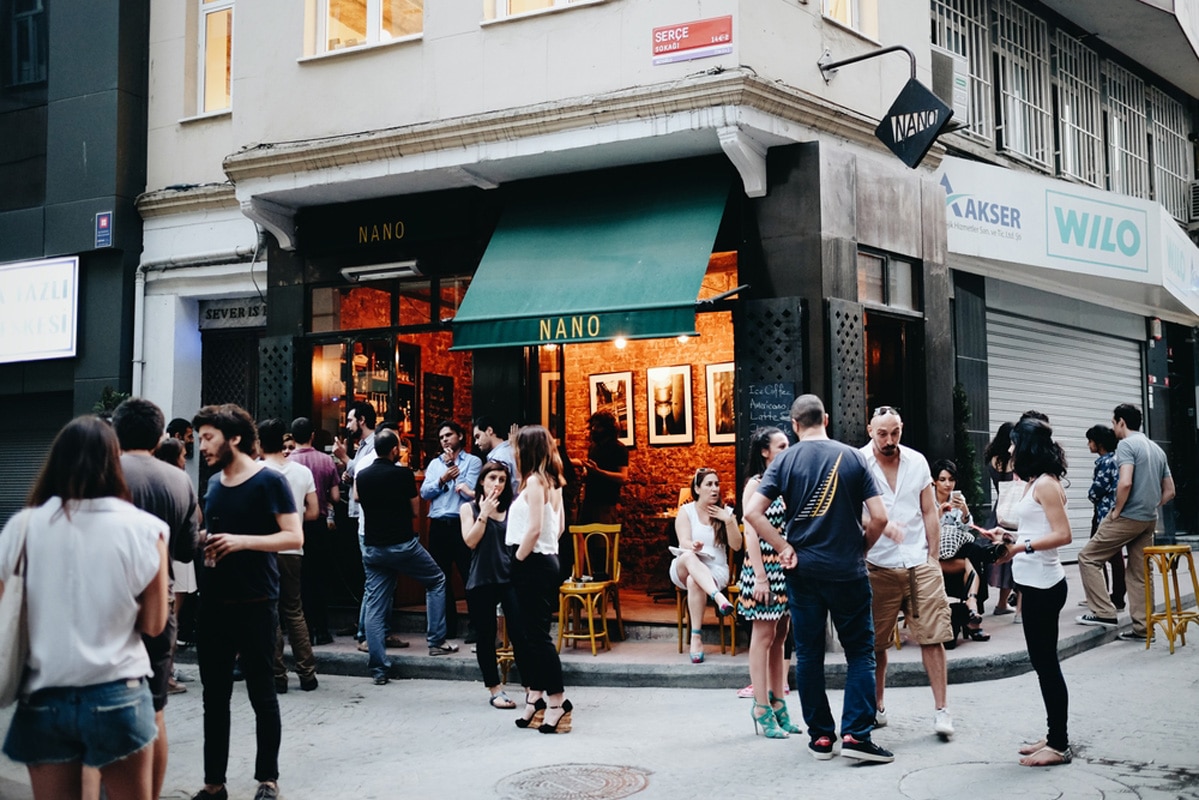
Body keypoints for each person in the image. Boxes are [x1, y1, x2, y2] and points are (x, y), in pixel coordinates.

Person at [0, 415, 170, 800]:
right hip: (119, 694)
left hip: (45, 698)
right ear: (115, 461)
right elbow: (156, 624)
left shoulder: (22, 526)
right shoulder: (147, 529)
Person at [744, 394, 894, 763]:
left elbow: (752, 512)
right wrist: (862, 548)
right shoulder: (855, 457)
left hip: (803, 572)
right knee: (860, 652)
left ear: (795, 425)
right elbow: (879, 517)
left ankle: (822, 739)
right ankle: (857, 735)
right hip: (847, 571)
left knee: (809, 654)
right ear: (826, 418)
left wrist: (782, 547)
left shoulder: (786, 460)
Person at [191, 404, 303, 800]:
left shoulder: (269, 480)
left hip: (257, 600)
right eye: (198, 438)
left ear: (233, 438)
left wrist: (241, 542)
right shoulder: (214, 483)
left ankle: (267, 779)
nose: (200, 446)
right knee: (214, 696)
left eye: (207, 437)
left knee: (261, 692)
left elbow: (294, 537)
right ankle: (213, 783)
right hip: (215, 602)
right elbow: (212, 531)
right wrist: (205, 541)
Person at [112, 398, 201, 799]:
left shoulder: (105, 470)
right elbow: (186, 550)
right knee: (155, 706)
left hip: (108, 598)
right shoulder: (178, 480)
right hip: (159, 601)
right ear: (159, 434)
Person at [981, 417, 1074, 766]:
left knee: (1047, 666)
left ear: (1027, 447)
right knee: (1043, 664)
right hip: (1033, 584)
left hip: (1044, 586)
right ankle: (1053, 736)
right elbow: (1036, 530)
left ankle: (1059, 745)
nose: (1009, 448)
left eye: (1014, 443)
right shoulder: (1035, 482)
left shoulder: (1047, 485)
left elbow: (1063, 535)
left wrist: (1020, 549)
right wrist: (1007, 538)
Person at [860, 406, 955, 739]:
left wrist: (933, 556)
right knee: (875, 644)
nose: (889, 440)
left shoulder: (917, 462)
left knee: (934, 636)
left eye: (895, 432)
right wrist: (882, 527)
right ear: (870, 430)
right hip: (878, 563)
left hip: (918, 561)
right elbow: (854, 516)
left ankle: (942, 711)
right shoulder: (859, 462)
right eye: (883, 433)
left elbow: (929, 510)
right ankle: (878, 706)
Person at [355, 429, 457, 684]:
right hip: (401, 544)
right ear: (393, 450)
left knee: (376, 606)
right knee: (436, 580)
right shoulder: (402, 474)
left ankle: (379, 669)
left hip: (373, 547)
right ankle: (435, 641)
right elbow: (414, 508)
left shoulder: (363, 476)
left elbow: (360, 502)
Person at [1076, 404, 1174, 642]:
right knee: (1140, 573)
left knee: (1088, 557)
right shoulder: (1156, 448)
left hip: (1128, 516)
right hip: (1149, 519)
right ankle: (1143, 628)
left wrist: (1117, 511)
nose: (1113, 427)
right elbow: (1170, 491)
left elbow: (1126, 482)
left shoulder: (1127, 445)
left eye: (1113, 422)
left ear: (1121, 422)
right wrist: (1150, 505)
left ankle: (1104, 612)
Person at [506, 425, 572, 733]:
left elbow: (533, 528)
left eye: (518, 447)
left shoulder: (534, 482)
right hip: (545, 560)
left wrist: (517, 561)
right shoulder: (552, 482)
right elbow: (557, 529)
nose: (514, 452)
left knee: (537, 638)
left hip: (530, 561)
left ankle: (557, 701)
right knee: (532, 635)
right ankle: (537, 697)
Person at [737, 427, 797, 739]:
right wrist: (760, 576)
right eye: (781, 445)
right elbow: (750, 531)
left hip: (784, 570)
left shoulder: (786, 484)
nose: (787, 450)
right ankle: (760, 706)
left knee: (781, 636)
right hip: (763, 569)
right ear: (765, 452)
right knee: (762, 637)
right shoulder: (755, 485)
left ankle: (779, 702)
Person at [257, 419, 320, 693]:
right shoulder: (302, 471)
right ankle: (307, 673)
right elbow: (315, 512)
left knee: (270, 612)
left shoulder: (256, 471)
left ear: (259, 442)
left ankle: (277, 676)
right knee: (294, 611)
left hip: (266, 548)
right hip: (294, 547)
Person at [460, 460, 525, 708]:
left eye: (501, 479)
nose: (497, 484)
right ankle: (495, 689)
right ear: (481, 481)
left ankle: (530, 686)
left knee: (520, 631)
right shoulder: (469, 509)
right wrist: (484, 514)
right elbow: (470, 541)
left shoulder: (512, 507)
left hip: (509, 577)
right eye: (492, 479)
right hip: (481, 579)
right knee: (487, 637)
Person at [670, 468, 742, 664]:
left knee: (696, 581)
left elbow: (737, 545)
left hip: (715, 570)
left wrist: (728, 520)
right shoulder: (686, 511)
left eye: (716, 484)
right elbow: (683, 540)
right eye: (709, 484)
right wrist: (692, 546)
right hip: (685, 566)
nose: (714, 489)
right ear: (697, 488)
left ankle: (696, 638)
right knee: (689, 557)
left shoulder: (726, 513)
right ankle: (719, 598)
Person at [420, 420, 482, 642]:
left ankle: (476, 627)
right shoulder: (434, 464)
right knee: (440, 578)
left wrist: (453, 473)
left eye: (449, 435)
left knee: (469, 575)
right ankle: (448, 627)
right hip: (438, 525)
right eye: (442, 437)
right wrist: (441, 479)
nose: (445, 439)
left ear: (460, 437)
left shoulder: (473, 462)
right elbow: (425, 493)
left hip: (462, 524)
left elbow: (470, 492)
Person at [287, 416, 341, 646]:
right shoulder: (325, 461)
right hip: (317, 525)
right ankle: (321, 629)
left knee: (297, 579)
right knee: (318, 577)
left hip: (293, 524)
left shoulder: (286, 461)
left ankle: (301, 629)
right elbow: (336, 497)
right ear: (312, 435)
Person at [332, 401, 377, 646]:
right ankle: (365, 628)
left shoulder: (373, 445)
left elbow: (367, 475)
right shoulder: (362, 447)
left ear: (361, 420)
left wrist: (344, 458)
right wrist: (349, 475)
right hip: (358, 515)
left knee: (373, 577)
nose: (347, 425)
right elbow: (359, 475)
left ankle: (367, 630)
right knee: (370, 577)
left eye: (350, 420)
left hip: (367, 517)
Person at [931, 458, 989, 646]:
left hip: (955, 553)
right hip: (933, 555)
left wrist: (964, 511)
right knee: (974, 557)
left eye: (951, 479)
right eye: (943, 479)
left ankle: (971, 607)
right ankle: (973, 617)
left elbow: (964, 531)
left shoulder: (956, 499)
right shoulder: (926, 500)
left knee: (972, 553)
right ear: (934, 481)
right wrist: (939, 513)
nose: (948, 484)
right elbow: (923, 531)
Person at [1085, 424, 1125, 611]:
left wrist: (1091, 494)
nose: (1088, 445)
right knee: (1113, 557)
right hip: (1114, 512)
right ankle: (1114, 595)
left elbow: (1098, 488)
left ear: (1099, 444)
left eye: (1090, 441)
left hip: (1103, 514)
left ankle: (1105, 596)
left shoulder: (1105, 462)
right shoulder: (1117, 459)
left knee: (1095, 556)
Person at [983, 422, 1018, 617]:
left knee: (1000, 556)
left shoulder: (993, 459)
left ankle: (1002, 602)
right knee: (1013, 556)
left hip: (999, 509)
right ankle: (1008, 603)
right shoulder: (1014, 459)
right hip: (1013, 510)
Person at [474, 416, 520, 493]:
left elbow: (497, 491)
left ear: (489, 431)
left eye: (478, 437)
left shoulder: (499, 457)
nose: (476, 442)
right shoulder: (511, 449)